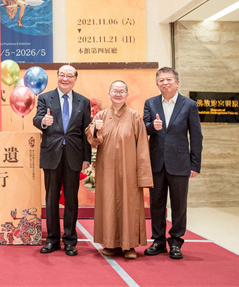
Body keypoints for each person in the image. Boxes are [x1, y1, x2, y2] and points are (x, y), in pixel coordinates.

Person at [86, 81, 153, 259]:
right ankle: (110, 244)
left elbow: (143, 148)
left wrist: (143, 175)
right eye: (115, 91)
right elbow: (93, 142)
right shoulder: (100, 115)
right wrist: (95, 130)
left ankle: (129, 245)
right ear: (108, 94)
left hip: (129, 170)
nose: (118, 94)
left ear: (126, 95)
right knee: (108, 205)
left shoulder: (134, 117)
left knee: (129, 206)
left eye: (121, 91)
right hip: (106, 170)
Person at [32, 65, 92, 256]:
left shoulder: (83, 101)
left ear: (75, 78)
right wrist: (43, 122)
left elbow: (86, 132)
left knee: (71, 200)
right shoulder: (44, 97)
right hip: (51, 154)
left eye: (69, 76)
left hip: (74, 155)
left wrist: (87, 158)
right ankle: (52, 240)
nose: (65, 79)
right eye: (62, 75)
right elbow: (36, 119)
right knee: (51, 199)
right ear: (57, 77)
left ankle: (70, 241)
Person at [143, 67, 203, 260]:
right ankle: (158, 241)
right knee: (156, 204)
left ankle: (176, 241)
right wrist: (153, 127)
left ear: (177, 82)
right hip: (156, 163)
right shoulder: (150, 103)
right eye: (161, 80)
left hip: (180, 163)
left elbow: (196, 136)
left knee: (179, 205)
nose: (165, 83)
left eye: (169, 79)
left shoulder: (189, 105)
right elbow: (143, 128)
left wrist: (195, 164)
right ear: (157, 84)